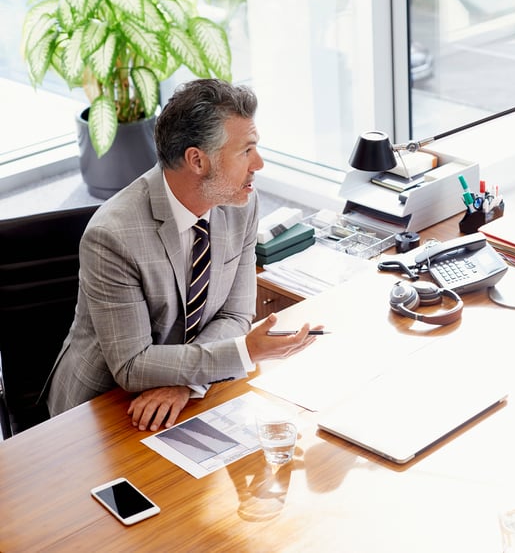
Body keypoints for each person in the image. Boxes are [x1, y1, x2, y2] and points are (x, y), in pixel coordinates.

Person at [45, 79, 319, 430]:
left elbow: (235, 314)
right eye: (246, 151)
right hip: (101, 409)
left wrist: (185, 382)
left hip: (177, 397)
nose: (259, 164)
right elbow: (131, 365)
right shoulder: (112, 236)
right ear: (197, 160)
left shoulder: (241, 205)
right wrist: (244, 352)